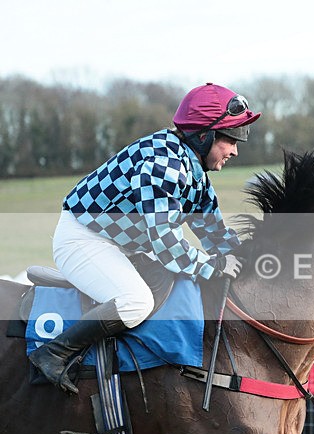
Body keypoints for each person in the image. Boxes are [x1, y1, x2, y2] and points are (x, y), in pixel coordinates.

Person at [27, 83, 261, 394]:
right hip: (83, 239)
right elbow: (167, 246)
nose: (234, 150)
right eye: (230, 139)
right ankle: (53, 354)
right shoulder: (163, 165)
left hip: (118, 245)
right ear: (203, 136)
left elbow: (216, 234)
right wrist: (215, 266)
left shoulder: (194, 175)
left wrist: (256, 259)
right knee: (136, 302)